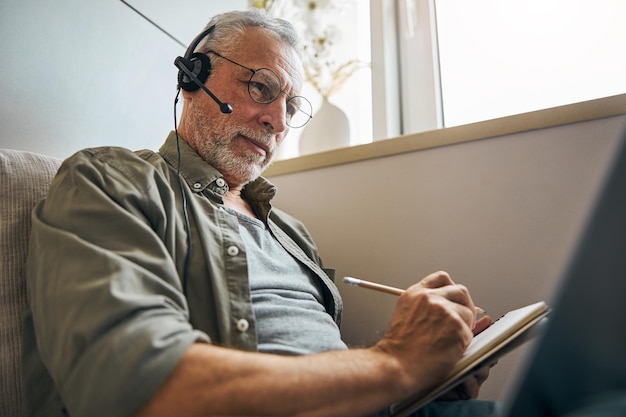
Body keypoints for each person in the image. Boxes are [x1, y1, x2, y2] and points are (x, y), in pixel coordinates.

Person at [23, 9, 497, 417]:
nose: (277, 120)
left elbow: (318, 362)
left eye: (290, 105)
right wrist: (396, 362)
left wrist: (428, 373)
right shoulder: (110, 180)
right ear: (193, 77)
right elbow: (130, 384)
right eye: (261, 87)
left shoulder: (291, 232)